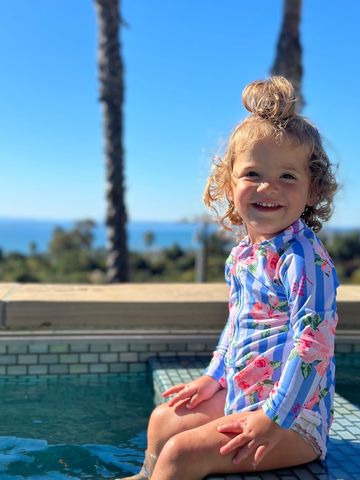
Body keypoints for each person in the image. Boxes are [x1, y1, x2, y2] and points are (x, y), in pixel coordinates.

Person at [118, 76, 339, 480]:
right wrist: (212, 377)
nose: (267, 186)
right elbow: (237, 326)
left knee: (183, 453)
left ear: (313, 190)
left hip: (294, 421)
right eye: (252, 173)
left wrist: (272, 418)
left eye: (288, 176)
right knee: (163, 420)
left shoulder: (303, 258)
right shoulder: (242, 256)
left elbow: (314, 349)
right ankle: (145, 477)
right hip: (244, 397)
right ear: (228, 183)